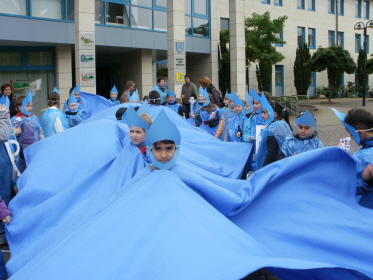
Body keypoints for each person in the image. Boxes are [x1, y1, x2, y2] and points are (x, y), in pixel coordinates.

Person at [332, 108, 373, 209]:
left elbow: (345, 183)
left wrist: (341, 157)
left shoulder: (363, 156)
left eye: (351, 134)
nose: (351, 138)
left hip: (365, 207)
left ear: (361, 133)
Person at [255, 95, 292, 169]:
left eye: (264, 112)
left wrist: (264, 170)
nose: (262, 115)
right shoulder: (282, 125)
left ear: (274, 113)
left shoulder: (274, 128)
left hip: (271, 167)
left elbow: (272, 153)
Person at [13, 90, 44, 173]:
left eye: (30, 105)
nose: (30, 107)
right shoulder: (14, 120)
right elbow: (12, 136)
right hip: (21, 153)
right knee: (23, 171)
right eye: (27, 105)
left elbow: (39, 132)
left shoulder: (34, 117)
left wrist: (42, 143)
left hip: (35, 149)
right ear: (19, 107)